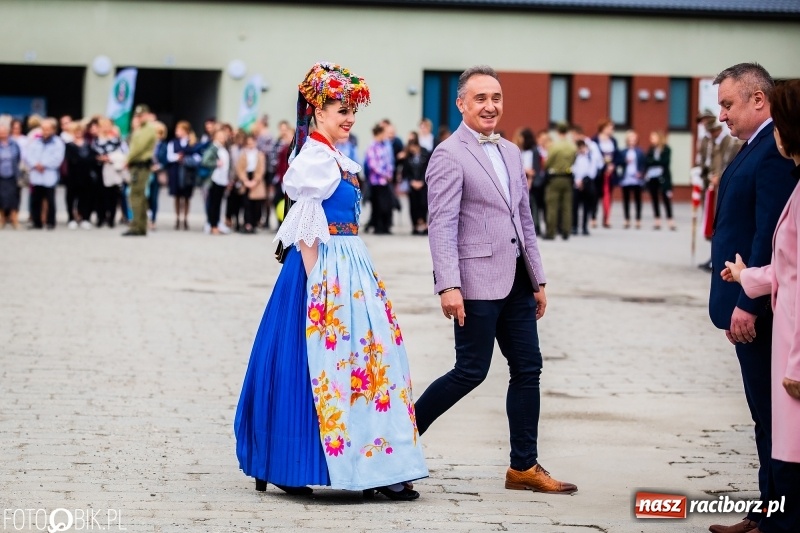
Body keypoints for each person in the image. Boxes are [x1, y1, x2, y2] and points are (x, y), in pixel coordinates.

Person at [234, 61, 428, 501]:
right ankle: (292, 461)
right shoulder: (314, 160)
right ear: (318, 112)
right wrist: (319, 286)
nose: (349, 118)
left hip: (349, 265)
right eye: (342, 110)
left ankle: (375, 462)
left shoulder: (334, 156)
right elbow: (305, 231)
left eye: (352, 110)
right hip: (322, 270)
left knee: (367, 362)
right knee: (319, 363)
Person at [415, 65, 576, 494]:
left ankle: (523, 467)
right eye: (481, 98)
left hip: (518, 280)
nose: (490, 106)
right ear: (461, 104)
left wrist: (538, 279)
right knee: (470, 371)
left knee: (528, 368)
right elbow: (441, 225)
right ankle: (397, 440)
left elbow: (524, 219)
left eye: (496, 98)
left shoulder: (511, 151)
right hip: (475, 282)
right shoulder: (448, 155)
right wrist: (448, 285)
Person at [707, 63, 797, 533]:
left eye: (727, 104)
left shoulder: (775, 151)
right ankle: (767, 510)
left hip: (762, 309)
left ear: (758, 99)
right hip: (748, 296)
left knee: (775, 419)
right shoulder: (753, 146)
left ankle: (779, 516)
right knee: (764, 417)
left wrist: (749, 302)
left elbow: (771, 236)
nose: (721, 114)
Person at [25, 118, 65, 230]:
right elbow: (29, 155)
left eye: (48, 129)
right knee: (36, 200)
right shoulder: (35, 141)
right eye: (43, 129)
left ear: (53, 130)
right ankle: (36, 222)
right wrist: (35, 164)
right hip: (36, 174)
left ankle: (50, 222)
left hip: (49, 174)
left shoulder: (58, 142)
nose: (45, 131)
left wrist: (44, 165)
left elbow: (58, 158)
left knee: (50, 200)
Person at [124, 105, 157, 237]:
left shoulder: (148, 129)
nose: (139, 118)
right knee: (139, 196)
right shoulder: (142, 129)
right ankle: (140, 226)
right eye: (137, 116)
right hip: (138, 165)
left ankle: (137, 226)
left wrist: (127, 160)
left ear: (147, 115)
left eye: (141, 115)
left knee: (136, 195)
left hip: (140, 166)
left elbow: (137, 148)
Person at [543, 121, 576, 240]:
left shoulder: (554, 146)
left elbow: (548, 163)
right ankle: (566, 231)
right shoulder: (572, 146)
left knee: (552, 206)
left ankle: (551, 232)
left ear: (557, 131)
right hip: (567, 177)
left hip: (555, 177)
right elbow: (574, 160)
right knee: (567, 206)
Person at [64, 122, 96, 230]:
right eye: (76, 131)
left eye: (80, 131)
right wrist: (83, 160)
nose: (78, 133)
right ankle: (71, 218)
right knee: (71, 198)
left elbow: (92, 158)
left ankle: (85, 218)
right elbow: (71, 159)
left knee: (85, 198)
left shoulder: (88, 145)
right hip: (73, 176)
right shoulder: (69, 145)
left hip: (86, 176)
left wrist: (83, 160)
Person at [166, 121, 198, 230]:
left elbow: (197, 157)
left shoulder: (192, 142)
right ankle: (177, 218)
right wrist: (177, 157)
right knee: (177, 196)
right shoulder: (173, 142)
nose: (177, 132)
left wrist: (187, 160)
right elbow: (169, 156)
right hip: (176, 171)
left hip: (188, 172)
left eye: (179, 129)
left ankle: (185, 219)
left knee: (187, 197)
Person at [398, 132, 430, 235]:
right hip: (412, 185)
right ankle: (415, 225)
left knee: (423, 204)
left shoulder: (425, 153)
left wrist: (422, 181)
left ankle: (424, 224)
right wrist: (412, 181)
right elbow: (405, 171)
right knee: (413, 205)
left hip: (423, 184)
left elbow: (427, 169)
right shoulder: (408, 156)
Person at [365, 124, 394, 234]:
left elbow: (388, 161)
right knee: (377, 205)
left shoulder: (384, 146)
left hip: (385, 181)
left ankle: (386, 226)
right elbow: (373, 165)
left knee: (386, 205)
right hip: (376, 181)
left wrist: (389, 173)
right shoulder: (372, 146)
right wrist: (384, 174)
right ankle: (378, 226)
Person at [235, 134, 266, 234]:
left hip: (256, 180)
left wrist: (255, 181)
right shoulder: (243, 154)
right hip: (246, 179)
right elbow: (240, 168)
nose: (250, 145)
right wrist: (245, 180)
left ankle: (254, 223)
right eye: (248, 143)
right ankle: (247, 224)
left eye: (252, 143)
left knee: (256, 204)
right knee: (246, 203)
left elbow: (261, 169)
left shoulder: (260, 155)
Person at [644, 131, 674, 231]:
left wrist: (653, 161)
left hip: (663, 177)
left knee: (666, 198)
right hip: (652, 177)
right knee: (654, 198)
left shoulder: (666, 149)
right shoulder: (651, 149)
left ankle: (670, 220)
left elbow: (665, 162)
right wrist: (655, 162)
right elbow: (647, 161)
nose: (651, 140)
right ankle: (657, 220)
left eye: (653, 138)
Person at [591, 118, 619, 228]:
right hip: (599, 172)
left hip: (610, 172)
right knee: (595, 195)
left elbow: (617, 155)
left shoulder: (613, 141)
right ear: (603, 128)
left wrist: (613, 165)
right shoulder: (594, 140)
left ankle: (606, 218)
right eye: (610, 128)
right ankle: (593, 218)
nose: (612, 130)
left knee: (608, 195)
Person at [618, 130, 645, 229]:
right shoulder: (623, 152)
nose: (632, 141)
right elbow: (619, 163)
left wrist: (641, 172)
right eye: (630, 139)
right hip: (626, 178)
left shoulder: (640, 152)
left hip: (636, 178)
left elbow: (643, 164)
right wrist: (624, 161)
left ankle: (638, 219)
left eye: (634, 139)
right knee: (626, 199)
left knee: (638, 199)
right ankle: (627, 219)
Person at [205, 128, 230, 235]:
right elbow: (205, 160)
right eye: (219, 136)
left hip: (222, 180)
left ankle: (216, 223)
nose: (221, 138)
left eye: (223, 136)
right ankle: (213, 225)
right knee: (213, 203)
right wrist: (216, 163)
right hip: (215, 179)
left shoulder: (223, 148)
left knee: (218, 203)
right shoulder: (213, 147)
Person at [571, 139, 597, 236]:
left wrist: (583, 181)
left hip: (586, 184)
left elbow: (592, 172)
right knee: (575, 207)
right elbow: (572, 169)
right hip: (576, 184)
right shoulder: (575, 157)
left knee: (586, 207)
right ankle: (574, 226)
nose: (581, 149)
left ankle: (584, 226)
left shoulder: (590, 157)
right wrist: (576, 181)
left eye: (583, 147)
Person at [0, 116, 22, 229]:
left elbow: (18, 158)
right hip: (1, 175)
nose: (3, 134)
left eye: (4, 132)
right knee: (1, 198)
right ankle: (1, 219)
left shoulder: (14, 144)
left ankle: (14, 219)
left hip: (12, 175)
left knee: (14, 198)